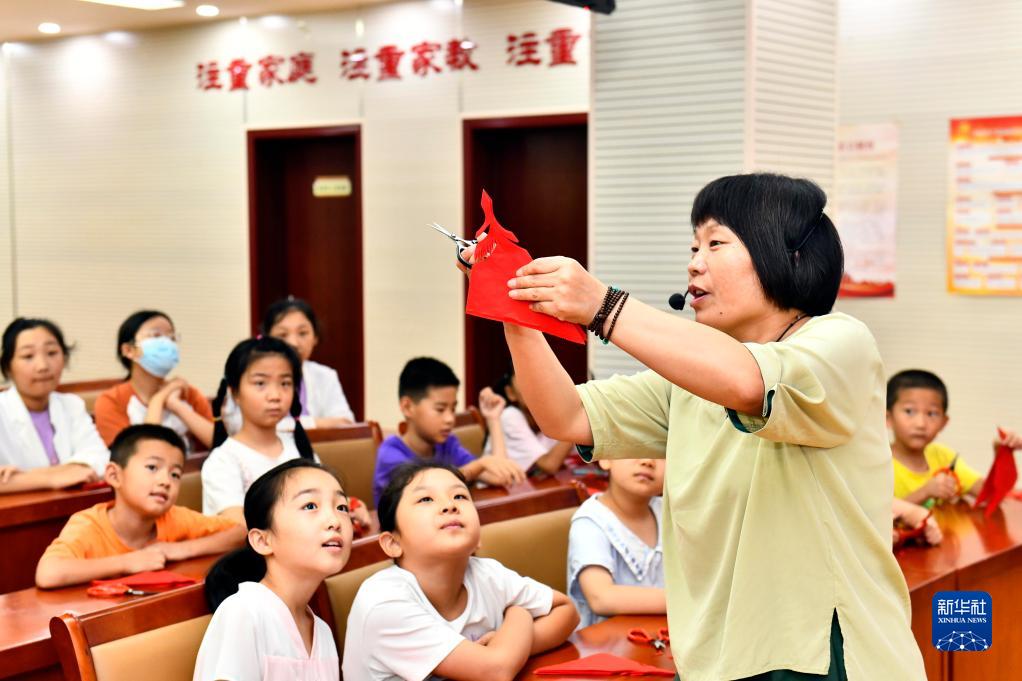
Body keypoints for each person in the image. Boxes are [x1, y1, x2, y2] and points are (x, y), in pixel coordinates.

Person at [471, 173, 927, 680]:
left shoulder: (839, 341)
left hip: (818, 655)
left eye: (715, 243)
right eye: (693, 246)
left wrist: (603, 306)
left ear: (788, 256)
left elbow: (749, 382)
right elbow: (566, 416)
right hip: (716, 660)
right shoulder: (690, 381)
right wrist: (513, 305)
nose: (694, 262)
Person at [343, 460, 579, 681]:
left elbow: (567, 611)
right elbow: (496, 670)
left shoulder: (487, 573)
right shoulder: (384, 602)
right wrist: (520, 613)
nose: (450, 505)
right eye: (425, 499)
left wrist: (511, 644)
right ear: (393, 543)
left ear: (478, 538)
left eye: (459, 496)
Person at [194, 459, 352, 681]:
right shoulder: (244, 613)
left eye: (342, 507)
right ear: (263, 541)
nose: (334, 520)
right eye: (310, 506)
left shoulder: (322, 631)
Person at [35, 424, 243, 588]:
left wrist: (179, 549)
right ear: (114, 475)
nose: (165, 481)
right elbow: (48, 573)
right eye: (152, 467)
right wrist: (127, 562)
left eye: (175, 474)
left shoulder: (175, 517)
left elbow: (241, 533)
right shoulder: (88, 525)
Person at [202, 337, 369, 528]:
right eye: (260, 383)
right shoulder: (223, 460)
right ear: (234, 392)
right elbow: (238, 526)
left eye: (285, 383)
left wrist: (347, 506)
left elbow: (322, 499)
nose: (275, 396)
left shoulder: (298, 446)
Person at [372, 357, 524, 506]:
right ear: (407, 407)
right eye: (440, 409)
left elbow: (500, 477)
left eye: (453, 409)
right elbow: (430, 490)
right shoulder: (390, 453)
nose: (450, 418)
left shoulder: (448, 444)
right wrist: (480, 465)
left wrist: (493, 418)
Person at [0, 318, 109, 493]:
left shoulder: (72, 405)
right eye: (28, 356)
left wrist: (23, 479)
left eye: (51, 353)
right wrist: (52, 477)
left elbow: (100, 459)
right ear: (7, 367)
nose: (43, 366)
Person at [887, 369, 1021, 505]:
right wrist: (925, 492)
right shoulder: (881, 463)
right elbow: (879, 515)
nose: (920, 424)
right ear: (888, 418)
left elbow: (989, 495)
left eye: (932, 413)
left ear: (943, 423)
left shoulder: (943, 456)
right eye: (909, 411)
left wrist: (1001, 453)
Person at [223, 297, 355, 433]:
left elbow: (345, 422)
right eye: (282, 335)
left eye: (302, 333)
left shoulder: (325, 375)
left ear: (315, 337)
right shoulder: (246, 370)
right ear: (267, 338)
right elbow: (236, 424)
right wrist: (315, 423)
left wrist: (292, 425)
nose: (293, 343)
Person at [567, 457, 666, 628]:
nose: (647, 461)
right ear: (606, 458)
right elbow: (601, 598)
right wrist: (686, 601)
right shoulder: (590, 522)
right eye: (635, 448)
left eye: (660, 453)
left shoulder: (669, 512)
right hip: (609, 639)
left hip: (665, 632)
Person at [94, 310, 213, 450]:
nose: (167, 343)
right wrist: (160, 398)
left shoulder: (187, 393)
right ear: (128, 350)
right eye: (156, 335)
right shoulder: (112, 400)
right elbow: (144, 453)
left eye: (172, 338)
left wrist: (176, 405)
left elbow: (218, 443)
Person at [484, 366, 575, 474]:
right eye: (525, 380)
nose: (537, 387)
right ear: (510, 393)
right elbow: (549, 464)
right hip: (495, 484)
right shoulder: (510, 416)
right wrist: (576, 419)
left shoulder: (554, 413)